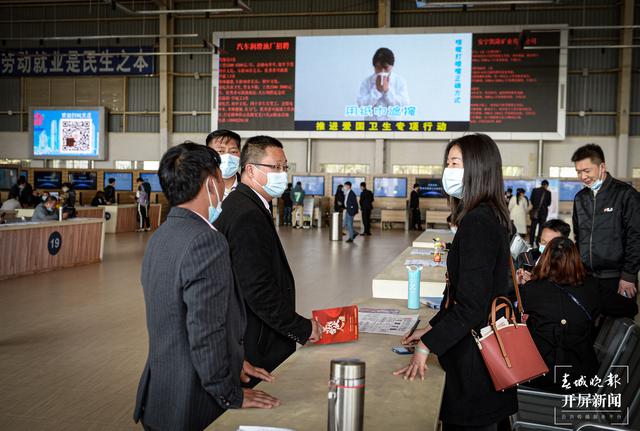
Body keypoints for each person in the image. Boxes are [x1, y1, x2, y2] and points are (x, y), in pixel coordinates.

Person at [133, 142, 279, 431]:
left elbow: (178, 319)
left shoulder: (161, 236)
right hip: (194, 401)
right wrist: (229, 393)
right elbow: (205, 329)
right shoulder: (206, 241)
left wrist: (234, 360)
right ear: (211, 183)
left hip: (161, 394)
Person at [394, 133, 517, 430]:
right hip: (487, 362)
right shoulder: (490, 214)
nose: (447, 170)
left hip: (475, 366)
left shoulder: (477, 222)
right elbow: (467, 295)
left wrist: (427, 345)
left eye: (454, 162)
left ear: (477, 167)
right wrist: (432, 327)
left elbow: (472, 306)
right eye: (447, 162)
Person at [214, 135, 323, 378]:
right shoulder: (246, 215)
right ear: (250, 170)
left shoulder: (247, 204)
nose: (282, 173)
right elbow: (257, 288)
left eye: (284, 167)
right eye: (275, 167)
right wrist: (301, 328)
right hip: (255, 343)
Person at [522, 237, 638, 392]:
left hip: (537, 377)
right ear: (576, 260)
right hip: (580, 378)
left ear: (545, 259)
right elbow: (630, 308)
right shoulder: (592, 287)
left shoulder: (530, 289)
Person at [571, 143, 640, 310]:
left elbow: (636, 236)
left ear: (602, 166)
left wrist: (629, 275)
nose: (583, 176)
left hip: (617, 279)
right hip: (587, 279)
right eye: (578, 172)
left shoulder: (625, 195)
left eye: (587, 171)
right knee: (590, 329)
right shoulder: (580, 198)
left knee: (618, 329)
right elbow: (578, 236)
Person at [357, 47, 410, 120]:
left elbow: (404, 105)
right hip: (372, 127)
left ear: (392, 66)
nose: (382, 70)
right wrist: (376, 91)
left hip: (392, 127)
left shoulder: (400, 81)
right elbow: (361, 105)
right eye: (378, 67)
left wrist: (387, 91)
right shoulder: (366, 81)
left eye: (385, 67)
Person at [515, 219, 571, 285]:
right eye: (543, 242)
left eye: (551, 244)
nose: (546, 248)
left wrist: (533, 285)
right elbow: (506, 286)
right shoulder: (525, 259)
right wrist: (516, 282)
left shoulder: (569, 267)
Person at [206, 129, 242, 200]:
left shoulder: (252, 188)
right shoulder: (197, 188)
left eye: (233, 152)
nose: (227, 156)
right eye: (220, 151)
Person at [529, 180, 552, 246]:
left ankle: (531, 242)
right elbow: (549, 203)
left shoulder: (534, 190)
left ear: (541, 184)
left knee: (533, 228)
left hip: (535, 212)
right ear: (546, 185)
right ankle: (538, 242)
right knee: (541, 229)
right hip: (543, 213)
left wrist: (536, 206)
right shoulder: (548, 193)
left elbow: (532, 200)